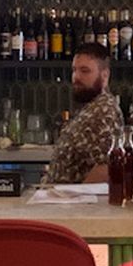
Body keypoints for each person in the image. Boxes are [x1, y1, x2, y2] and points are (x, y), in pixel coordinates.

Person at [44, 42, 121, 185]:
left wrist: (79, 202)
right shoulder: (92, 107)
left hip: (74, 205)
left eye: (85, 71)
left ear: (104, 75)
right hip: (61, 202)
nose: (76, 77)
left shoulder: (103, 111)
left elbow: (106, 168)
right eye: (74, 70)